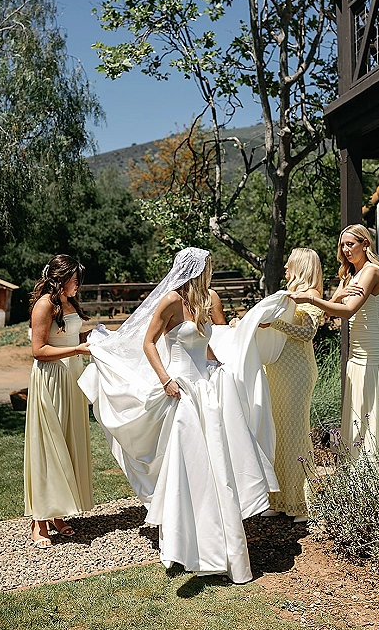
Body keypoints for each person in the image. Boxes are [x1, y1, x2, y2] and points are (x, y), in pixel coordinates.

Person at [78, 247, 278, 584]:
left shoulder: (206, 299)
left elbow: (206, 341)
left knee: (217, 464)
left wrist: (219, 363)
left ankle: (220, 541)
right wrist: (165, 379)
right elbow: (148, 343)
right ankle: (185, 541)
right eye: (207, 267)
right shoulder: (171, 300)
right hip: (182, 389)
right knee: (192, 466)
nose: (209, 272)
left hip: (208, 388)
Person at [287, 225, 379, 460]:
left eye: (351, 244)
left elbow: (348, 311)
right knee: (359, 416)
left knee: (374, 417)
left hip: (376, 355)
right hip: (356, 356)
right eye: (343, 245)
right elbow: (333, 311)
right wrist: (335, 296)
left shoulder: (371, 272)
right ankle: (358, 474)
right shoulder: (349, 275)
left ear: (365, 244)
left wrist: (310, 297)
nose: (346, 250)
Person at [24, 255, 94, 548]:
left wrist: (98, 338)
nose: (78, 284)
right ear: (61, 278)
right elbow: (38, 350)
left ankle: (58, 511)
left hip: (72, 378)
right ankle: (38, 520)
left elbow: (72, 336)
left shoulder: (70, 302)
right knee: (47, 446)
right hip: (51, 379)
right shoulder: (44, 304)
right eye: (75, 279)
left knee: (67, 443)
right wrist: (77, 348)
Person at [258, 248, 322, 521]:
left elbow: (307, 333)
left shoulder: (313, 296)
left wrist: (275, 325)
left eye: (289, 264)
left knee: (295, 435)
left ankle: (301, 503)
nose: (284, 267)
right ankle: (278, 498)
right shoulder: (286, 296)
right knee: (277, 434)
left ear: (301, 267)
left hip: (297, 374)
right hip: (277, 370)